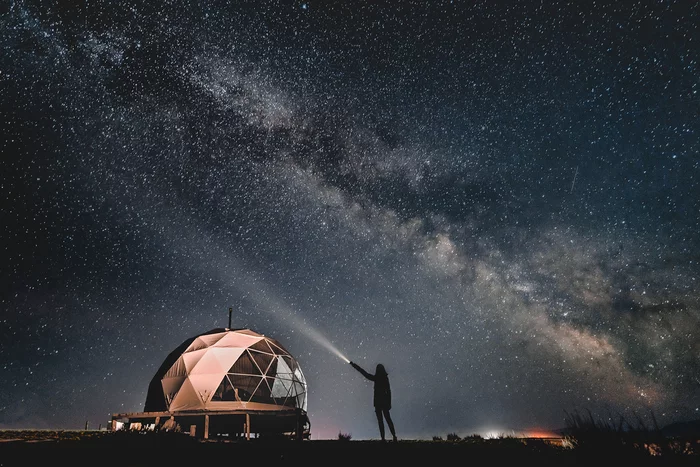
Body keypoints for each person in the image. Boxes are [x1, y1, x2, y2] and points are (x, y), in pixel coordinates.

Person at [349, 361, 397, 442]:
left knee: (381, 421)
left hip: (378, 403)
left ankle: (384, 438)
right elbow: (389, 392)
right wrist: (389, 403)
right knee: (387, 420)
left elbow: (365, 373)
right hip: (384, 402)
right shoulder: (385, 378)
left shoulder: (376, 378)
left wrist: (354, 365)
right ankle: (393, 436)